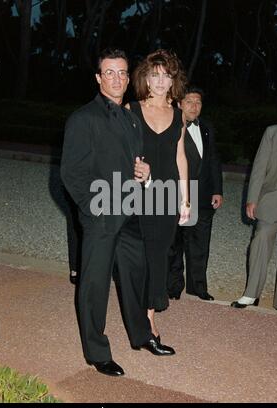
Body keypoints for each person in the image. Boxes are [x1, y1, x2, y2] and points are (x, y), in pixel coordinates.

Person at [61, 48, 175, 378]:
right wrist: (93, 211)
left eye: (122, 73)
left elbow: (133, 161)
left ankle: (143, 336)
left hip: (129, 214)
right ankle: (97, 353)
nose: (117, 78)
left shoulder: (130, 118)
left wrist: (143, 171)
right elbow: (71, 173)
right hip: (100, 215)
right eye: (109, 72)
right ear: (98, 78)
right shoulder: (82, 119)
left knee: (134, 280)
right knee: (94, 286)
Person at [127, 49, 190, 340]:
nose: (161, 81)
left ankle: (149, 318)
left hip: (166, 196)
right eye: (155, 75)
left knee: (158, 256)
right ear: (146, 78)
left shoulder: (179, 115)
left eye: (166, 76)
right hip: (136, 194)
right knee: (137, 255)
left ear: (173, 80)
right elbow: (119, 153)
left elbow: (181, 158)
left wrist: (185, 201)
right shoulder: (131, 110)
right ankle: (138, 308)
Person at [231, 109, 277, 313]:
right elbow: (260, 166)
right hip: (272, 200)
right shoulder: (274, 132)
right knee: (260, 240)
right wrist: (252, 199)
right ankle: (251, 293)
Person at [167, 87, 223, 301]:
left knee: (200, 243)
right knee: (175, 243)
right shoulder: (171, 126)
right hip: (178, 195)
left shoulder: (207, 127)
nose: (194, 106)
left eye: (198, 102)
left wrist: (217, 190)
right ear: (179, 104)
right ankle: (173, 287)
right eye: (189, 101)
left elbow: (214, 160)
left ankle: (198, 287)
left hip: (204, 196)